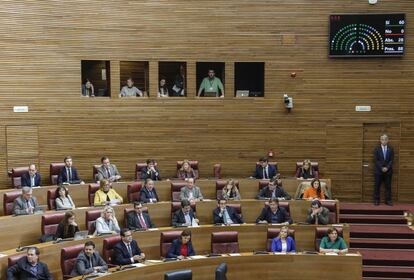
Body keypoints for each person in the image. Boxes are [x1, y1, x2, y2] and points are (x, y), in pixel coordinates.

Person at [373, 134, 394, 206]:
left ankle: (388, 200)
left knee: (388, 186)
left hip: (388, 171)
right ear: (380, 140)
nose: (384, 141)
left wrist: (387, 168)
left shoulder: (391, 149)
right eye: (382, 139)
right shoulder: (377, 149)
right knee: (377, 186)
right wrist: (381, 167)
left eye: (385, 139)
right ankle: (376, 200)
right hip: (378, 171)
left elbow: (391, 160)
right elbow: (376, 160)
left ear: (388, 140)